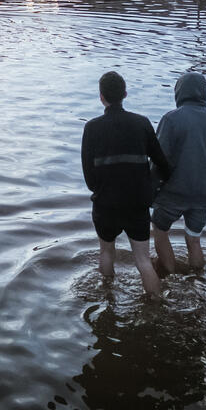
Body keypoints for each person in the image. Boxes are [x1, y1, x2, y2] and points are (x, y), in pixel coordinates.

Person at [81, 71, 171, 297]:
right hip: (136, 204)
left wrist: (100, 190)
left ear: (101, 97)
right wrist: (152, 187)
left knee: (106, 252)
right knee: (143, 260)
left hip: (105, 204)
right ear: (125, 94)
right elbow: (162, 164)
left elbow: (88, 176)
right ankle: (157, 305)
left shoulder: (91, 128)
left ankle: (108, 300)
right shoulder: (141, 123)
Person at [151, 72, 206, 274]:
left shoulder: (172, 119)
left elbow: (159, 159)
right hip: (204, 194)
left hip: (175, 192)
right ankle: (198, 280)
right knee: (193, 239)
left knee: (160, 231)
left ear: (179, 92)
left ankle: (169, 273)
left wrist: (149, 191)